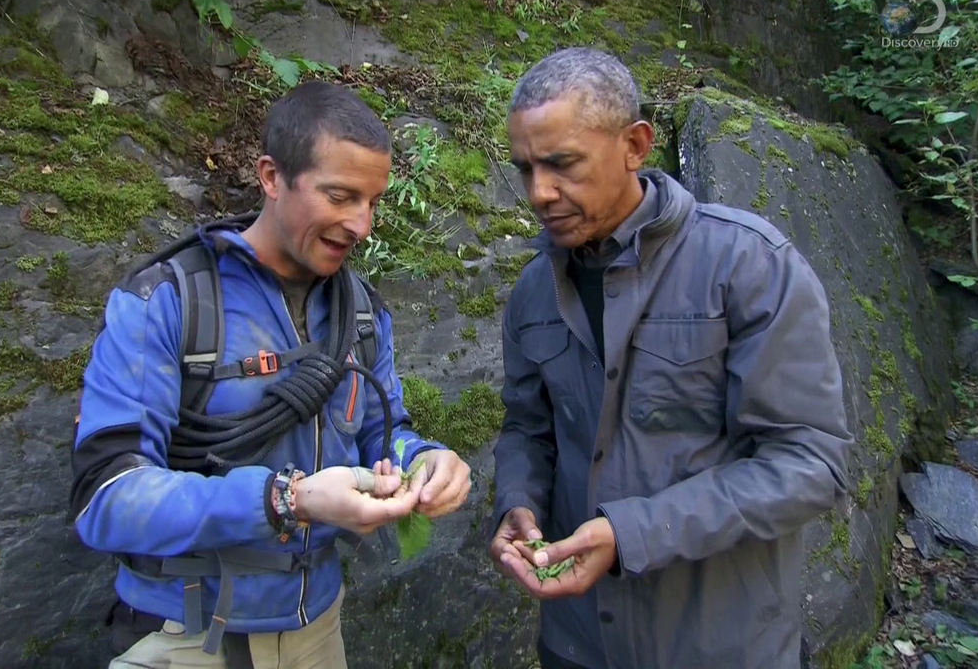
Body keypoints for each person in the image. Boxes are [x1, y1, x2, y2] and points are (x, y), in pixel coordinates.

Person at [69, 80, 473, 669]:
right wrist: (289, 499)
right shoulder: (168, 303)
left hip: (318, 634)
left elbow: (381, 433)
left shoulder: (360, 314)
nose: (361, 224)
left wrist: (422, 459)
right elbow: (106, 498)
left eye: (373, 201)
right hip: (186, 634)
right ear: (271, 177)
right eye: (340, 196)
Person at [488, 47, 853, 669]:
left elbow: (810, 464)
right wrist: (517, 502)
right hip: (578, 642)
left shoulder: (748, 265)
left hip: (720, 646)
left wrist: (633, 534)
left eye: (562, 164)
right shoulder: (533, 291)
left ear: (635, 145)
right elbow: (529, 428)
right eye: (525, 169)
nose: (539, 193)